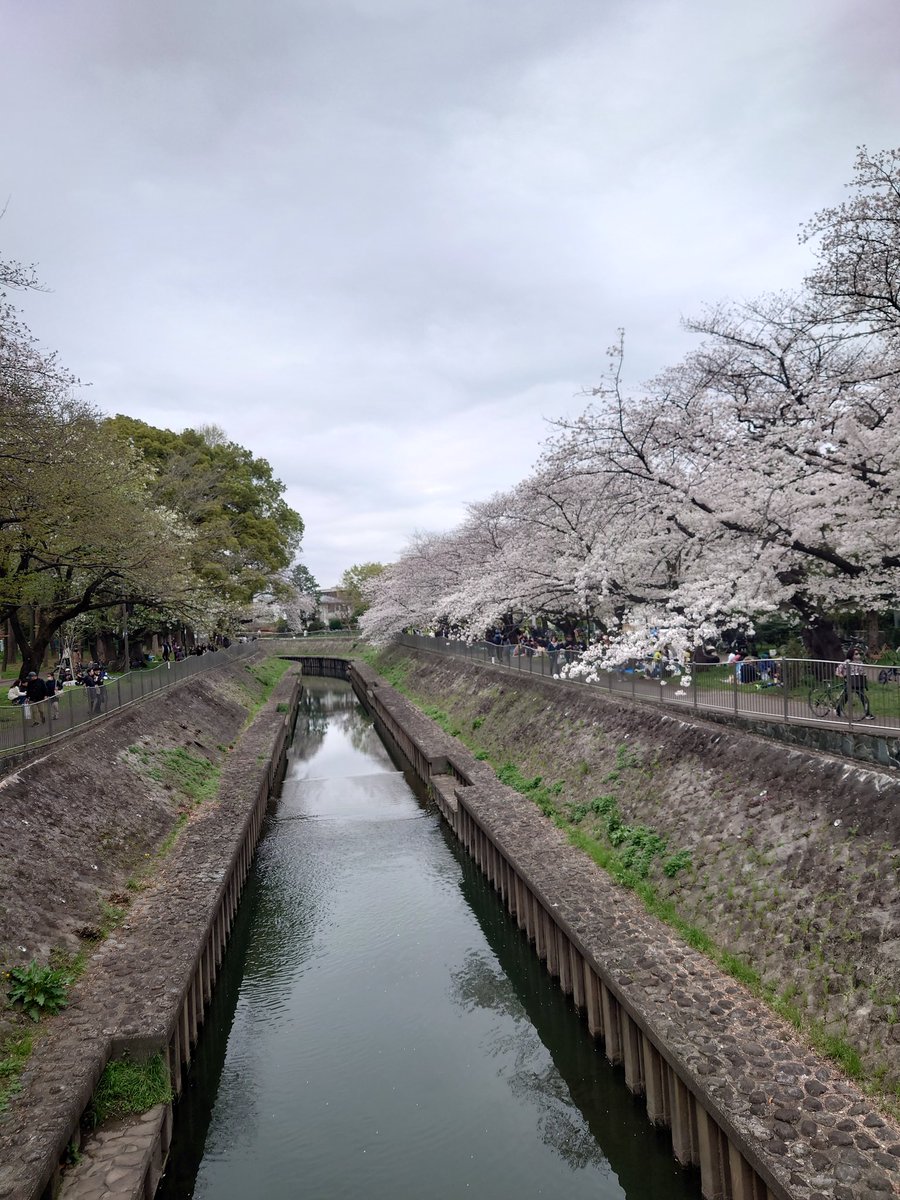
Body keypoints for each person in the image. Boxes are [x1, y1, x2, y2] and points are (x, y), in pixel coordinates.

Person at [835, 650, 875, 720]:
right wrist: (842, 676)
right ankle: (838, 710)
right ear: (852, 655)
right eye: (856, 654)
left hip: (858, 682)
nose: (858, 655)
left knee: (864, 698)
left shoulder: (860, 663)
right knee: (846, 697)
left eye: (859, 653)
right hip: (849, 681)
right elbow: (838, 670)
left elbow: (862, 672)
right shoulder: (847, 662)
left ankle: (867, 713)